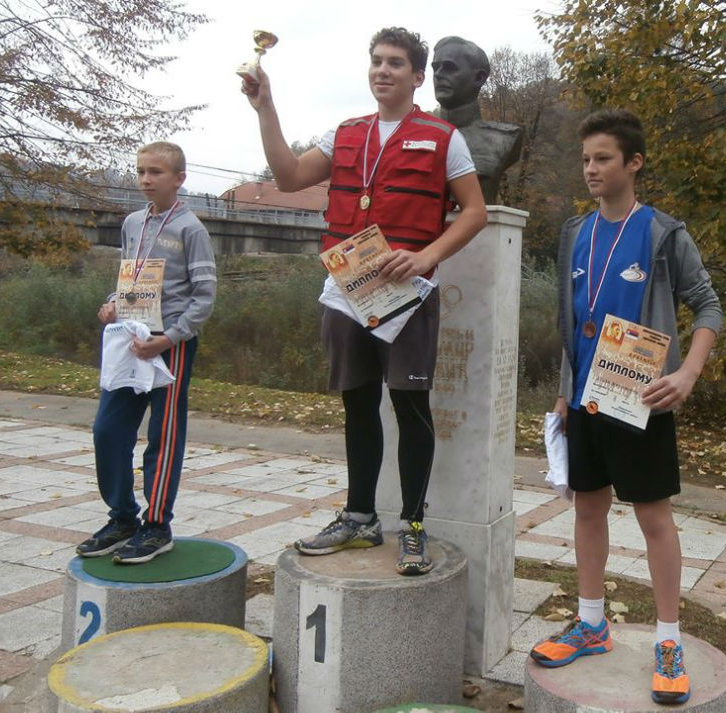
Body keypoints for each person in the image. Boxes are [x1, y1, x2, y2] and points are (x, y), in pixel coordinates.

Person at [242, 27, 486, 575]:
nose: (382, 70)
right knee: (357, 402)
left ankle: (414, 526)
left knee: (410, 407)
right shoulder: (346, 133)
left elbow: (474, 212)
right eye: (376, 61)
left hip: (407, 294)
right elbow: (287, 176)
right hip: (347, 291)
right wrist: (265, 107)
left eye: (395, 63)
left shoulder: (443, 137)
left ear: (417, 76)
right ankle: (359, 517)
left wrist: (426, 257)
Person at [529, 109, 722, 705]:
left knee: (653, 519)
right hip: (586, 400)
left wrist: (687, 374)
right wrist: (563, 391)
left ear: (633, 163)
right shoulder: (574, 232)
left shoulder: (663, 233)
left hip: (641, 400)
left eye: (603, 158)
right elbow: (574, 321)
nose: (591, 169)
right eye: (585, 159)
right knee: (588, 509)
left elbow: (709, 306)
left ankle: (669, 640)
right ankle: (592, 624)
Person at [76, 141, 217, 564]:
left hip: (169, 344)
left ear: (179, 178)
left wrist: (171, 338)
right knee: (107, 430)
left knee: (163, 436)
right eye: (140, 171)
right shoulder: (133, 223)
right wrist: (111, 303)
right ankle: (122, 518)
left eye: (156, 172)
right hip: (130, 339)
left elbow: (204, 296)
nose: (145, 180)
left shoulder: (191, 229)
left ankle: (156, 527)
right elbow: (129, 278)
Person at [432, 36, 522, 204]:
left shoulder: (503, 139)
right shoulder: (419, 137)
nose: (438, 75)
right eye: (435, 68)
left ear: (479, 78)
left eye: (449, 67)